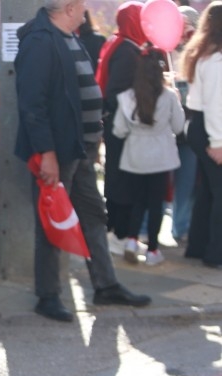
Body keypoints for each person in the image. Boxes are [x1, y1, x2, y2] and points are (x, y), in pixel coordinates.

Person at [15, 0, 152, 322]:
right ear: (70, 7)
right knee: (52, 222)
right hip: (58, 153)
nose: (85, 9)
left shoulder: (68, 35)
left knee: (93, 216)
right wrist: (46, 153)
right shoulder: (40, 40)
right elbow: (32, 103)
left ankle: (106, 285)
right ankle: (47, 296)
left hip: (81, 149)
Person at [112, 47, 185, 266]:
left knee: (138, 201)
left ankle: (132, 239)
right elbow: (179, 127)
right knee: (156, 204)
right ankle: (153, 250)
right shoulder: (170, 96)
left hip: (135, 156)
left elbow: (118, 130)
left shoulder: (126, 97)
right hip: (161, 156)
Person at [95, 2, 149, 255]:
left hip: (116, 126)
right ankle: (118, 233)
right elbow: (117, 91)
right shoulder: (128, 51)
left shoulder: (118, 43)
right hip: (123, 128)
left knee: (116, 177)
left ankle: (116, 231)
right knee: (122, 179)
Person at [182, 1, 222, 269]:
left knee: (208, 190)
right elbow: (216, 104)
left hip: (199, 126)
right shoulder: (217, 59)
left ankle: (198, 246)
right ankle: (215, 253)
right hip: (211, 130)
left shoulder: (201, 53)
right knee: (218, 192)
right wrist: (218, 143)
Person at [171, 5, 201, 243]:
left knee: (187, 182)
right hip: (165, 130)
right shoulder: (163, 51)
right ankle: (145, 227)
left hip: (190, 130)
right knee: (162, 184)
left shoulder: (200, 55)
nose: (183, 32)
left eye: (187, 26)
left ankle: (180, 228)